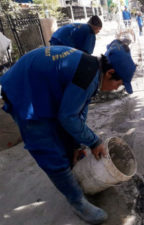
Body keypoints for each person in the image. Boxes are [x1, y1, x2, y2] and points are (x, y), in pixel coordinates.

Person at [0, 39, 136, 225]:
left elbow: (78, 112)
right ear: (110, 73)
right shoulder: (87, 76)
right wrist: (95, 141)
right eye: (119, 84)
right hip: (25, 90)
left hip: (40, 86)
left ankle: (69, 175)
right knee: (48, 148)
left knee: (66, 137)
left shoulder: (93, 70)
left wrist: (76, 145)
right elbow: (68, 117)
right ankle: (77, 201)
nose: (116, 89)